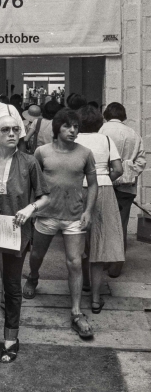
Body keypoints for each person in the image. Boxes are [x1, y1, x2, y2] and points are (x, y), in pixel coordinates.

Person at [0, 116, 50, 363]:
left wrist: (31, 209)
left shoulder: (29, 162)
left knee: (12, 287)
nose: (12, 133)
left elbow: (45, 196)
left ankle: (11, 338)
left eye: (16, 129)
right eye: (5, 129)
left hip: (16, 231)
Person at [23, 109, 98, 340]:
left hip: (74, 216)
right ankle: (33, 277)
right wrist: (30, 209)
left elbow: (93, 184)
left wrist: (88, 211)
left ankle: (76, 312)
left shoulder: (85, 153)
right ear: (57, 129)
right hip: (46, 214)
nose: (73, 130)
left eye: (76, 126)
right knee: (36, 255)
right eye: (68, 126)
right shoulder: (41, 152)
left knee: (75, 262)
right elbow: (31, 182)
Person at [76, 105, 124, 312]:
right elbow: (119, 169)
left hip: (78, 190)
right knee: (99, 242)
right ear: (99, 123)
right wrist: (104, 178)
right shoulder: (105, 140)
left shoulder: (73, 140)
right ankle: (96, 299)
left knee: (78, 240)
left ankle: (83, 284)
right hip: (103, 189)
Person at [100, 102, 146, 277]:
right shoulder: (134, 134)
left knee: (102, 224)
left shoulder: (101, 131)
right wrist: (126, 173)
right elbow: (141, 163)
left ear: (105, 114)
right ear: (124, 116)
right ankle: (116, 266)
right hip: (126, 189)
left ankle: (102, 261)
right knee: (121, 225)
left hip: (104, 184)